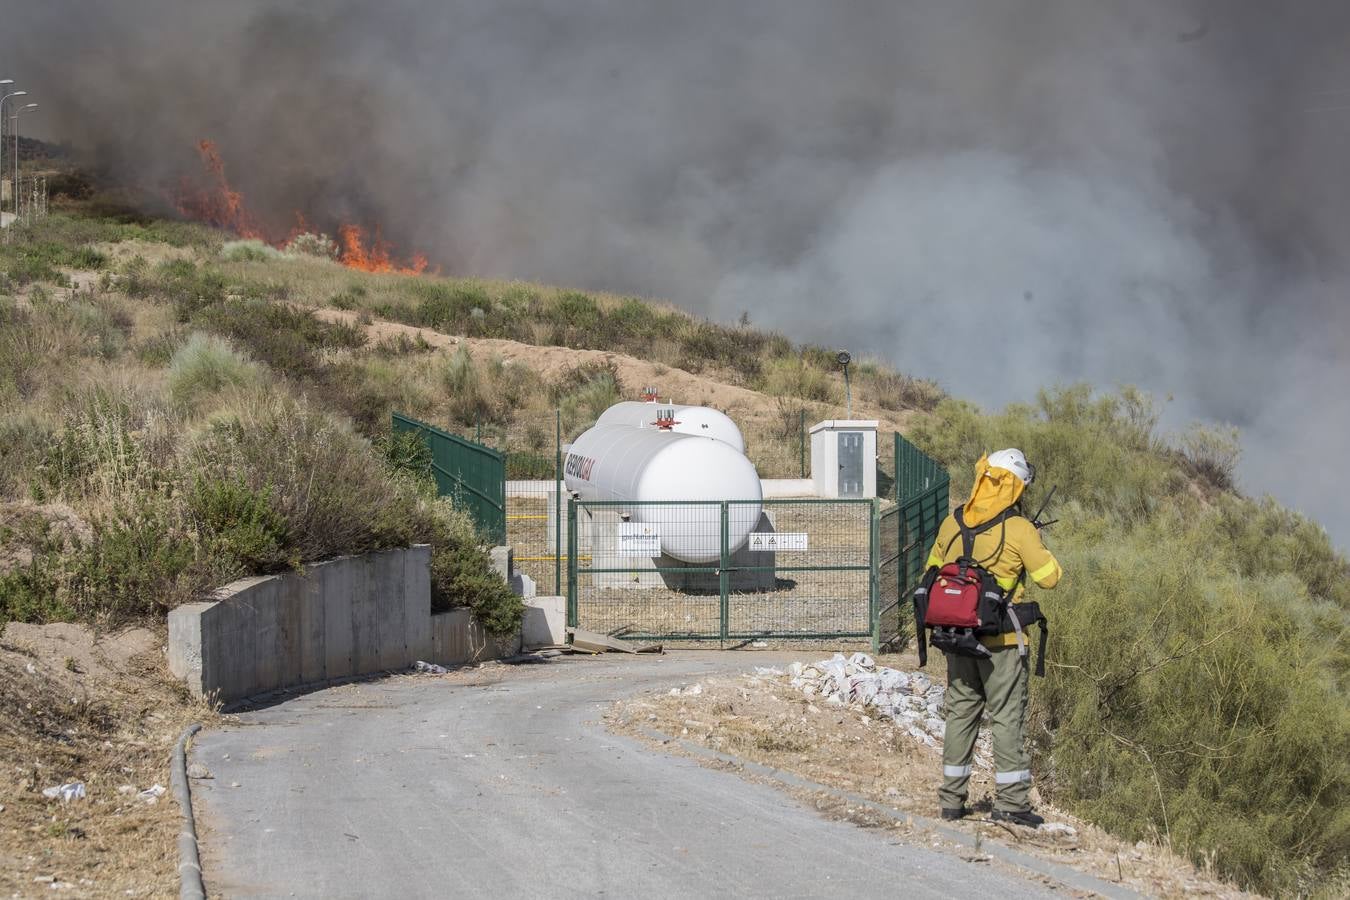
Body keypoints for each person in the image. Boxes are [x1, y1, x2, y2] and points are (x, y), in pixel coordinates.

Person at [923, 448, 1061, 826]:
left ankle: (951, 801)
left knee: (961, 715)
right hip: (1002, 644)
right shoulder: (1019, 528)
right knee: (1006, 719)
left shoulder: (952, 523)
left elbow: (932, 569)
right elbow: (1050, 577)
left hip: (957, 638)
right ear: (1017, 488)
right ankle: (1012, 804)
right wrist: (1036, 544)